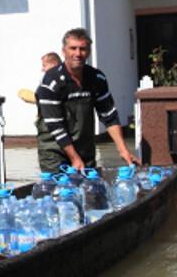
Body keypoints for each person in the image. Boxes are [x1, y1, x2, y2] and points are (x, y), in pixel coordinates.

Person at [34, 28, 138, 172]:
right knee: (61, 192)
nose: (78, 54)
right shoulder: (51, 82)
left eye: (83, 49)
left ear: (88, 51)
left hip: (84, 148)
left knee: (89, 191)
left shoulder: (97, 78)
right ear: (64, 51)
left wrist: (123, 150)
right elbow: (55, 126)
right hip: (54, 150)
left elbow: (109, 117)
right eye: (73, 48)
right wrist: (75, 159)